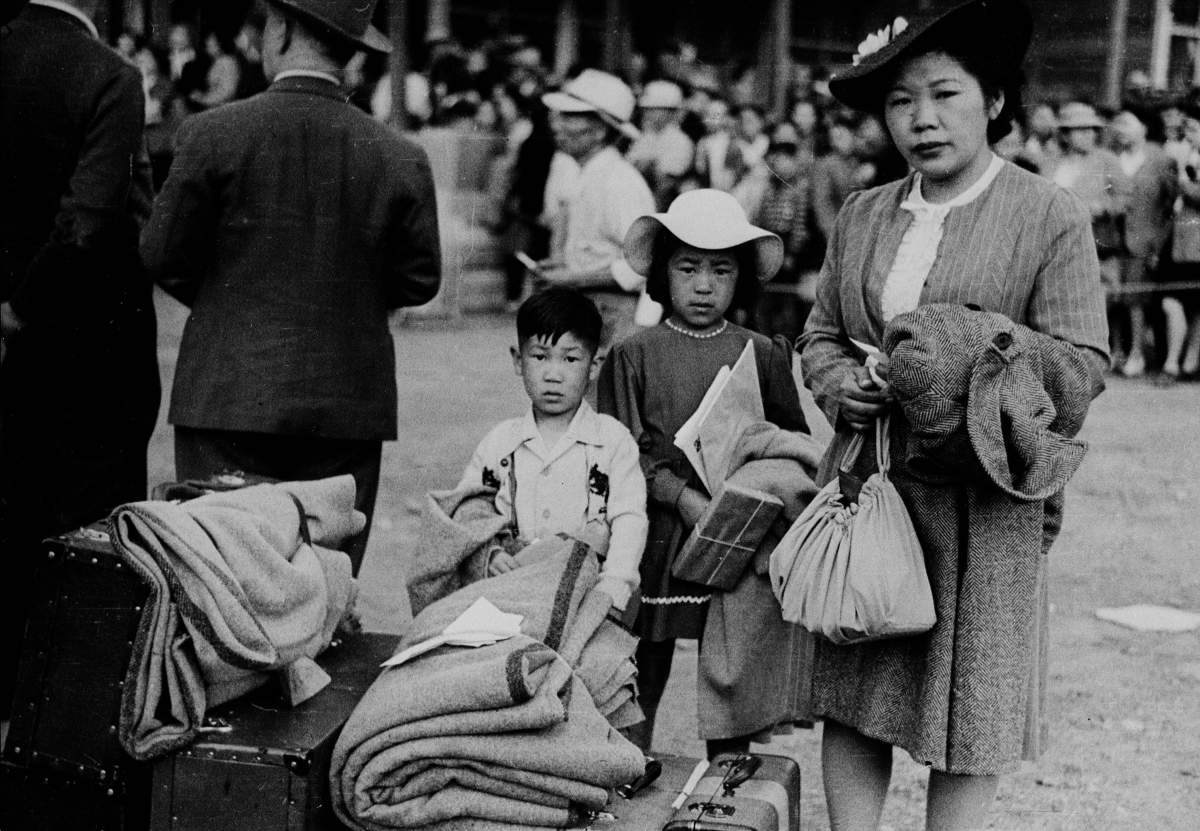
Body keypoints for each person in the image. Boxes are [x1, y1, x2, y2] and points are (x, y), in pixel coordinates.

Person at [798, 2, 1108, 829]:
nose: (922, 119)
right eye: (901, 101)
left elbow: (1082, 367)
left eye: (945, 94)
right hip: (874, 484)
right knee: (855, 686)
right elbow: (821, 334)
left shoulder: (1048, 215)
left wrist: (966, 356)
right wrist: (842, 385)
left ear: (996, 101)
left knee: (972, 708)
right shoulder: (863, 213)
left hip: (985, 498)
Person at [141, 0, 441, 576]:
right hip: (347, 398)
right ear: (352, 51)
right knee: (324, 585)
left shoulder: (212, 134)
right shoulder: (400, 157)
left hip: (228, 389)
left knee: (222, 583)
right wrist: (346, 302)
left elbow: (161, 253)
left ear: (278, 31)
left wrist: (226, 301)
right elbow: (419, 280)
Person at [598, 189, 809, 759]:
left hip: (738, 537)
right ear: (663, 275)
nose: (703, 284)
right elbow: (616, 450)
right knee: (641, 660)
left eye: (721, 270)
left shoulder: (762, 352)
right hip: (658, 534)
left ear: (741, 280)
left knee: (732, 660)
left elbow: (791, 444)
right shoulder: (633, 354)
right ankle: (621, 773)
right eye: (687, 268)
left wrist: (754, 489)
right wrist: (680, 495)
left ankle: (728, 789)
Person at [1, 0, 160, 721]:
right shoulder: (109, 76)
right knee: (86, 538)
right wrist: (16, 306)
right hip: (81, 348)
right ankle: (68, 722)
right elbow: (88, 217)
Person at [455, 287, 647, 612]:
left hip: (587, 593)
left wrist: (615, 583)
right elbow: (466, 509)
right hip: (509, 590)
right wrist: (490, 555)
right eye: (540, 356)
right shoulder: (500, 442)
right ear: (518, 360)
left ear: (595, 364)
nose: (554, 374)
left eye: (571, 359)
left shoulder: (612, 441)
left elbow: (629, 518)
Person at [538, 69, 656, 351]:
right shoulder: (583, 174)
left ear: (601, 129)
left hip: (614, 312)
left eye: (570, 117)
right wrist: (564, 265)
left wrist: (573, 277)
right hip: (589, 307)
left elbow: (644, 263)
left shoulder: (619, 181)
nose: (557, 126)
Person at [1045, 101, 1130, 361]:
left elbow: (1126, 198)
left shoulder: (1107, 160)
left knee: (1101, 301)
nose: (1088, 135)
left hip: (1098, 242)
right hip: (1057, 244)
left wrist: (1102, 207)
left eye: (1092, 129)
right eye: (1080, 130)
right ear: (1066, 135)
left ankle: (1098, 355)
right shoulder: (1051, 162)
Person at [1111, 109, 1177, 377]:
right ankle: (1115, 351)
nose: (1121, 130)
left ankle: (1137, 352)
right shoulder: (1112, 158)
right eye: (1118, 125)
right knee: (1114, 296)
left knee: (1135, 299)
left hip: (1145, 240)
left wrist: (1158, 242)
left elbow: (1170, 205)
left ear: (1144, 128)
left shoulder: (1161, 160)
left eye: (1128, 124)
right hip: (1113, 238)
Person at [626, 79, 695, 210]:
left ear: (670, 111)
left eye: (654, 109)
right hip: (638, 202)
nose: (647, 114)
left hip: (663, 209)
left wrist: (645, 166)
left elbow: (665, 185)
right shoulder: (644, 137)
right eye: (646, 109)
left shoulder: (680, 141)